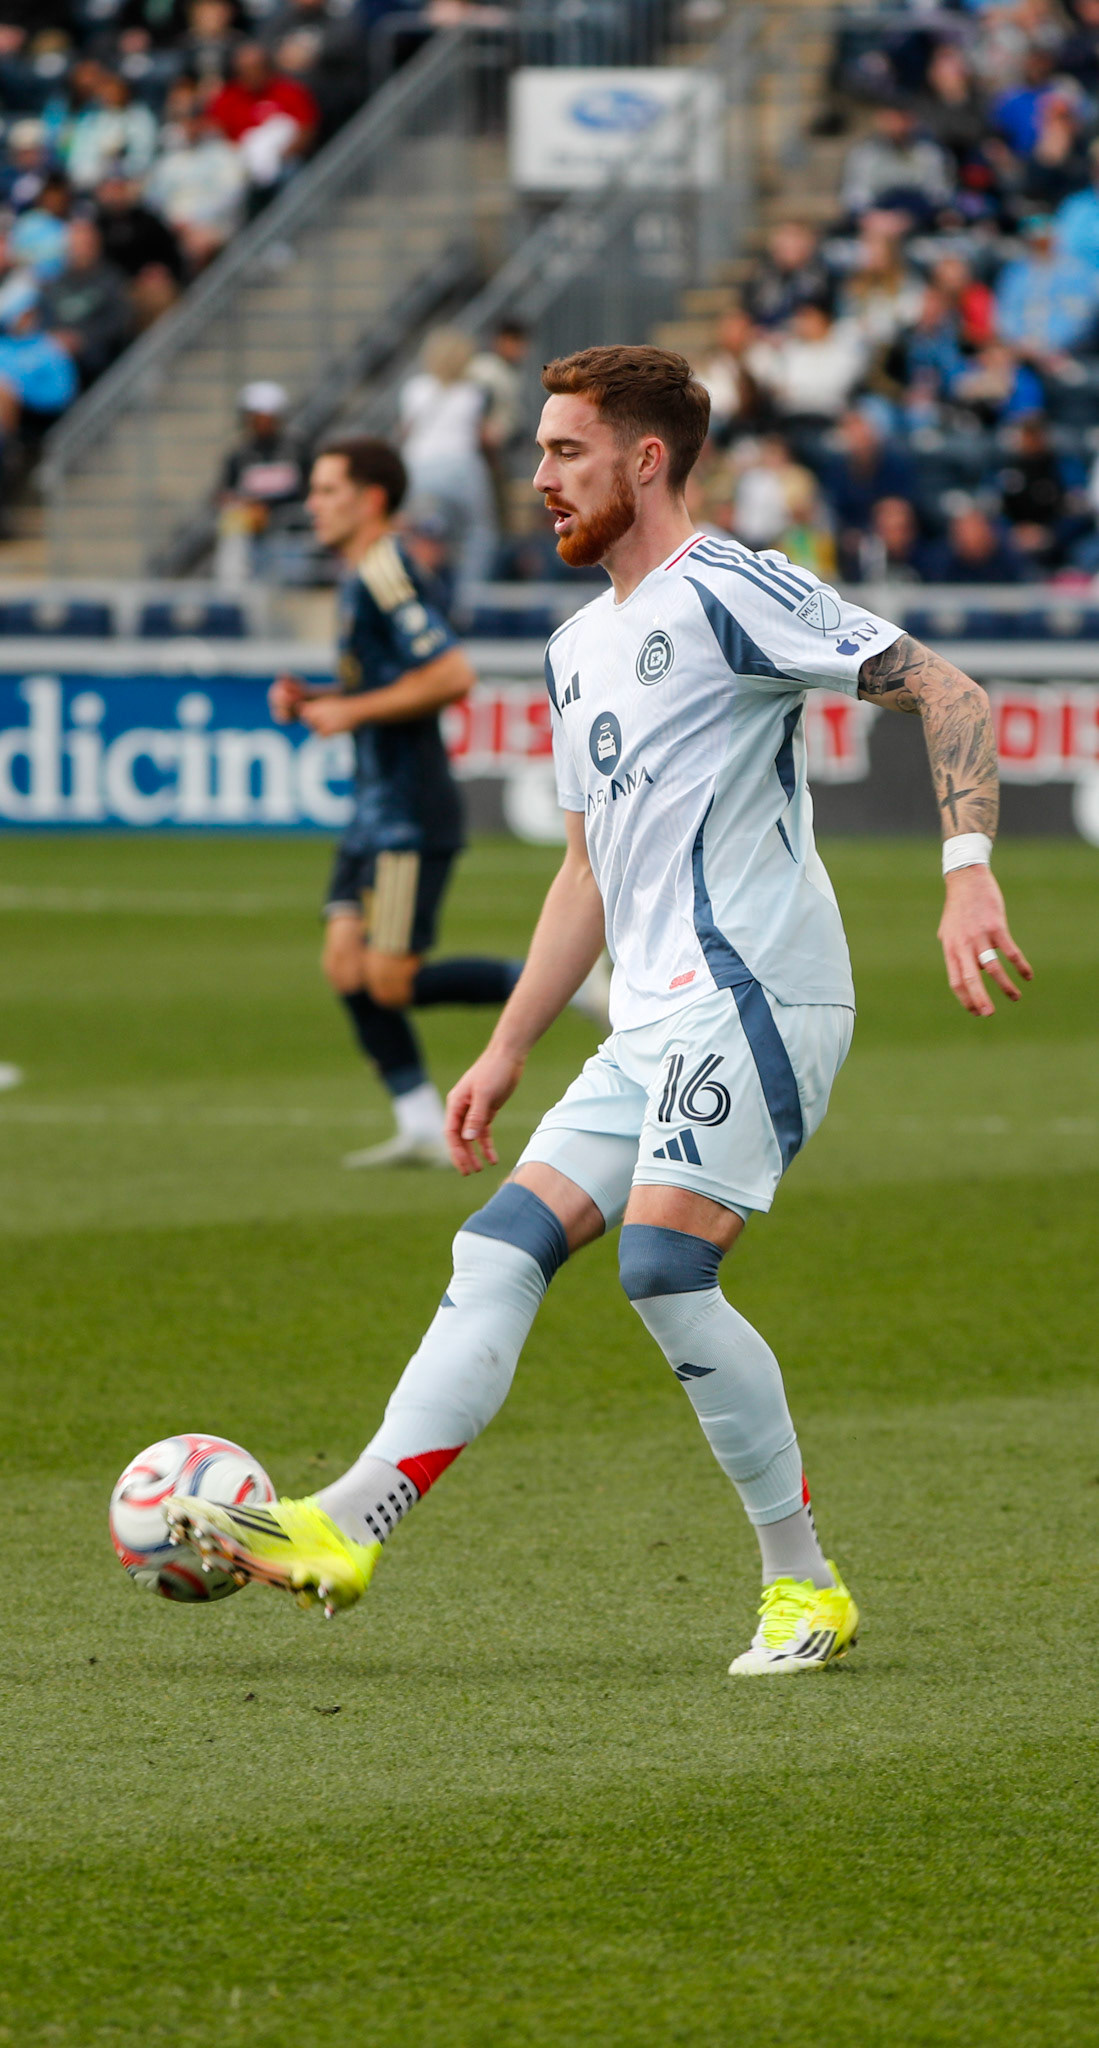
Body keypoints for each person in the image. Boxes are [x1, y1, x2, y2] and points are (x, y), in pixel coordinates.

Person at [168, 344, 1032, 1676]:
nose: (539, 477)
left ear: (645, 458)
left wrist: (965, 873)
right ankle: (344, 1525)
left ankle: (802, 1587)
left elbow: (945, 689)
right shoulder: (575, 647)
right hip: (647, 1015)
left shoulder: (729, 587)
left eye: (565, 450)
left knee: (662, 1267)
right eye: (536, 450)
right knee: (495, 1249)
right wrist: (506, 1045)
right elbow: (584, 871)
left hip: (754, 987)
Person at [267, 433, 601, 1169]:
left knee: (389, 980)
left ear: (370, 500)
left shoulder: (386, 569)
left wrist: (349, 711)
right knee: (344, 964)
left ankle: (564, 982)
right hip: (374, 807)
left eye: (327, 491)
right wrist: (321, 698)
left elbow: (451, 675)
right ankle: (418, 1119)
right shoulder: (360, 574)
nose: (313, 505)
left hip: (407, 812)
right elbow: (391, 682)